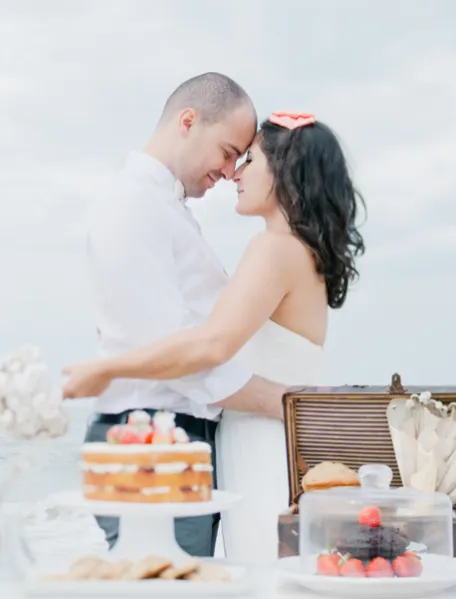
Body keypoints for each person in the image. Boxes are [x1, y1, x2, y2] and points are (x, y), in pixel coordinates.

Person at [62, 99, 366, 564]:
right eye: (232, 155)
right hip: (269, 441)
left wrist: (107, 369)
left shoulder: (273, 250)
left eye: (249, 158)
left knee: (262, 570)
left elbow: (212, 344)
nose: (235, 172)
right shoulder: (303, 255)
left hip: (262, 448)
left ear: (286, 172)